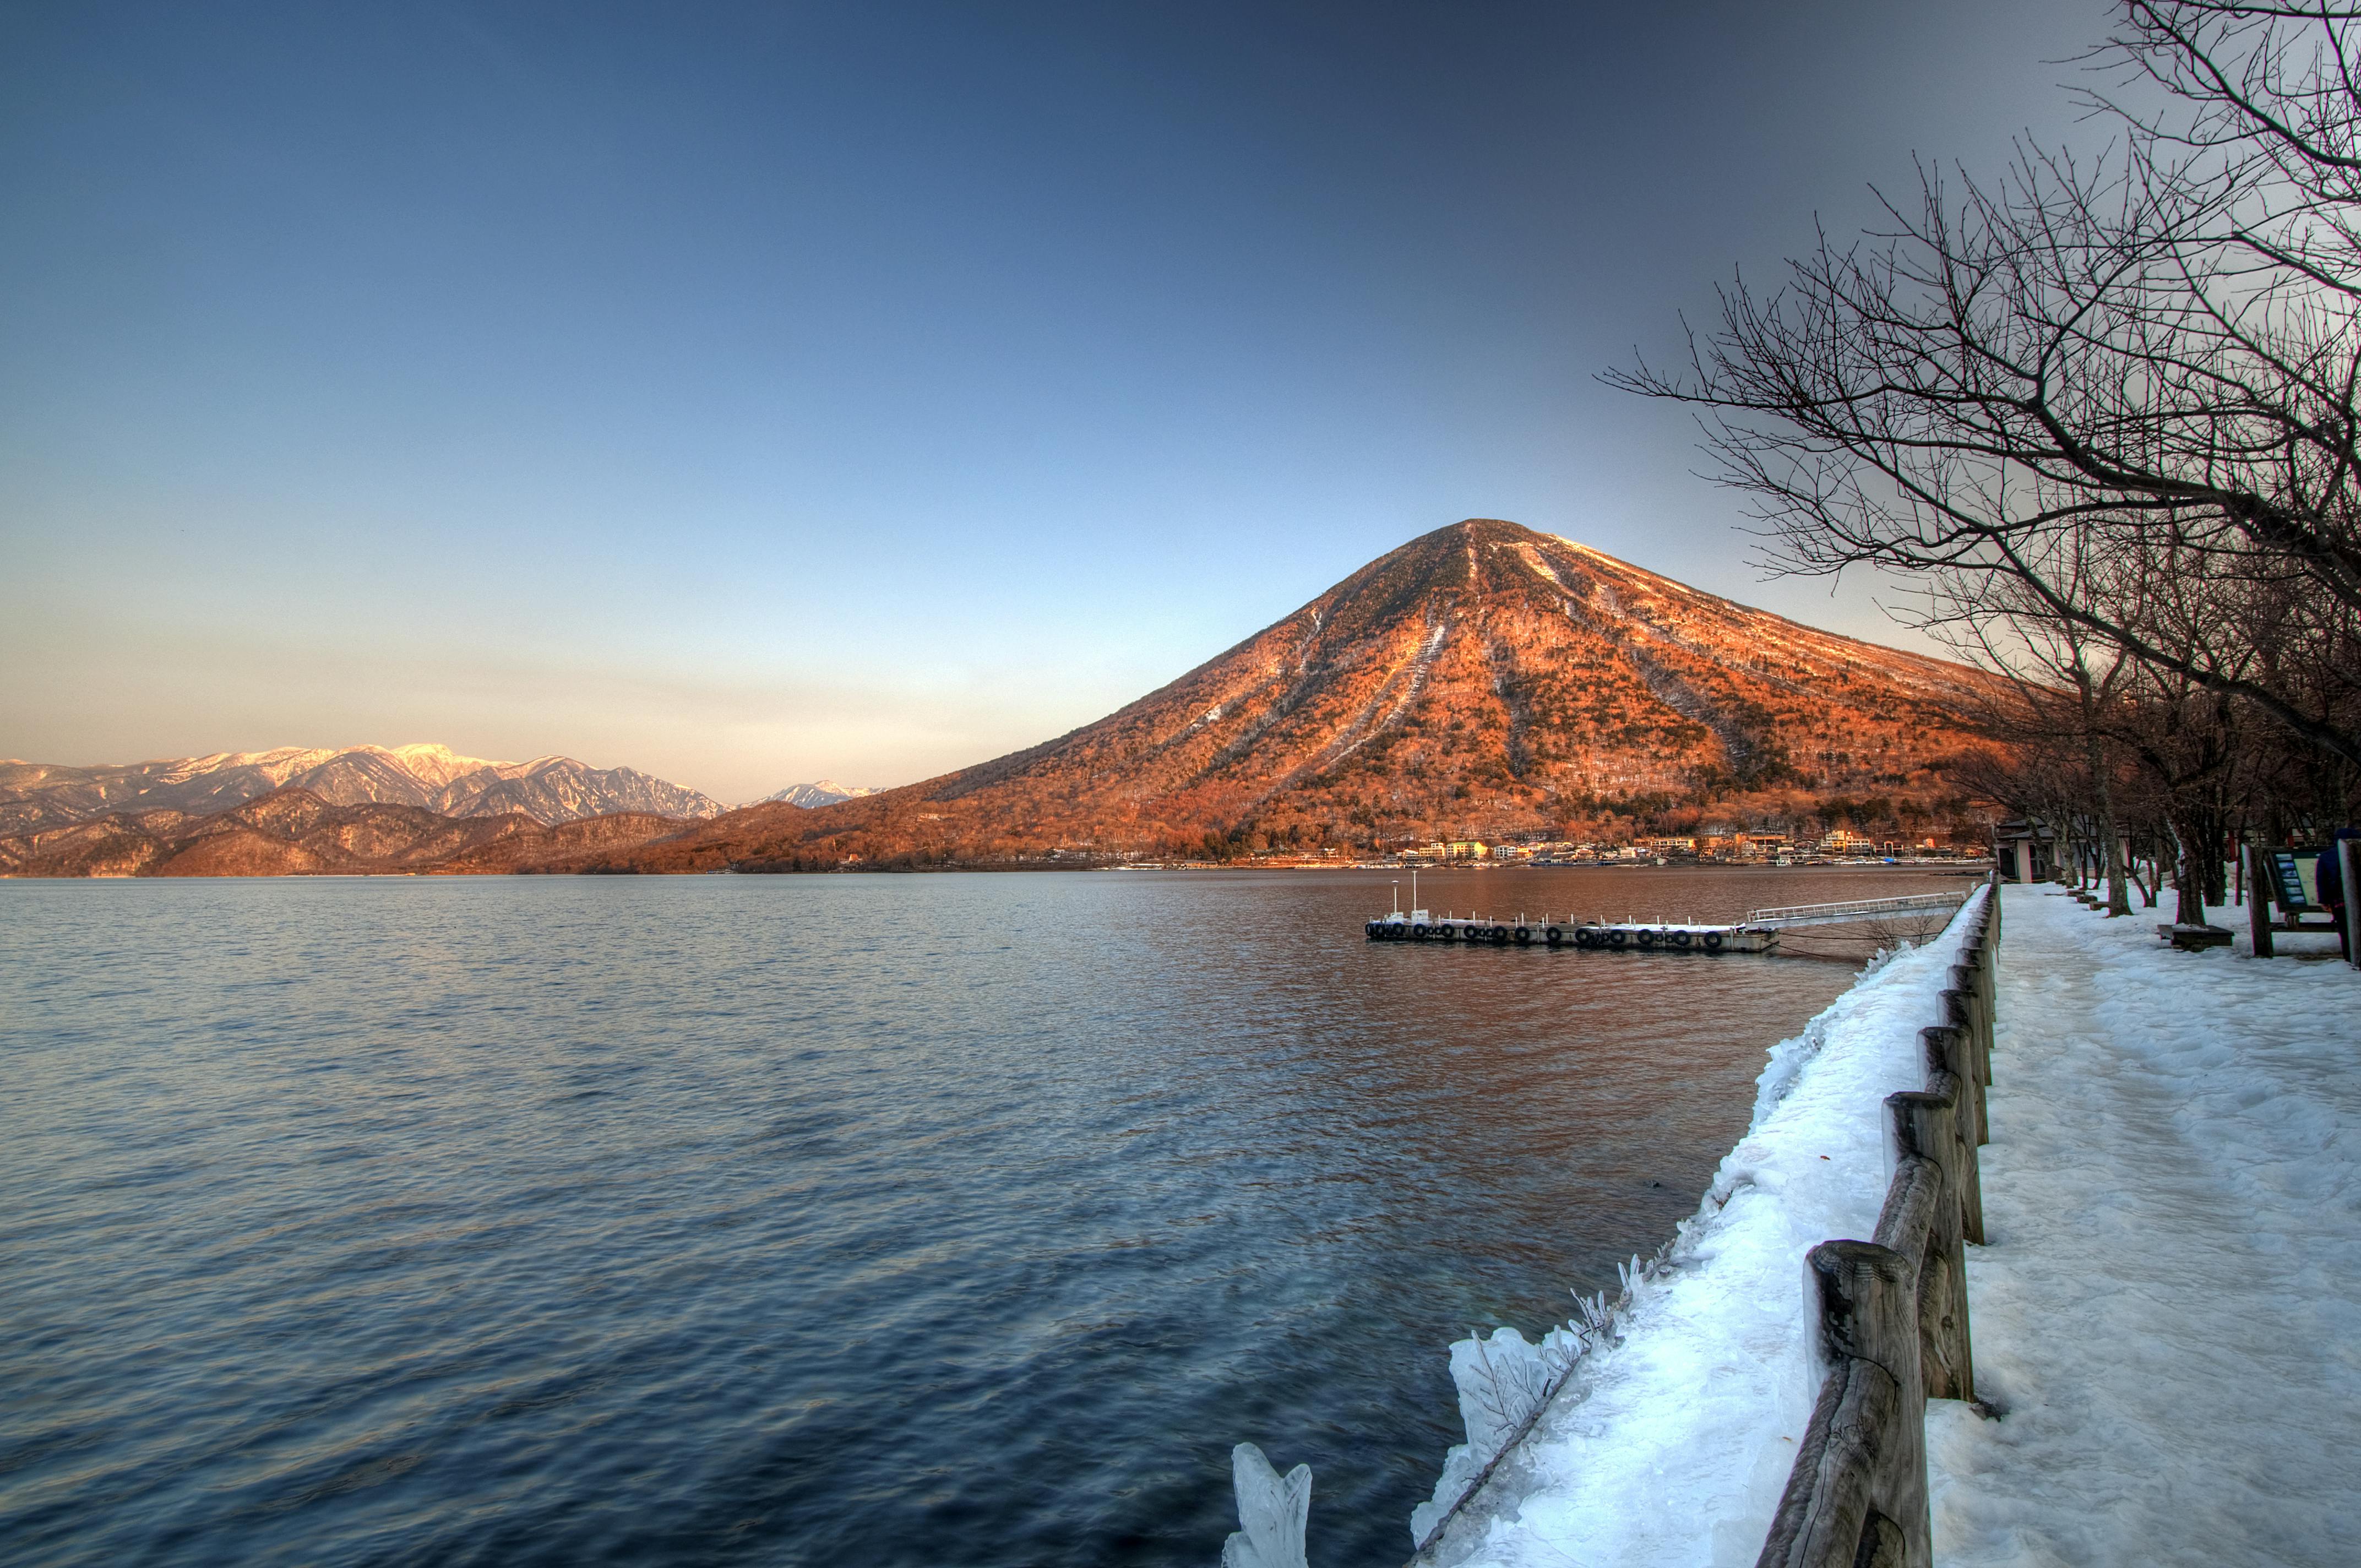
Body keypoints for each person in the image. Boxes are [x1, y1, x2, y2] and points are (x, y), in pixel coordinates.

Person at [2321, 829, 2360, 962]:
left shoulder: (2327, 856)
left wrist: (2324, 900)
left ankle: (2350, 957)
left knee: (2345, 929)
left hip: (2339, 900)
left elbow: (2322, 880)